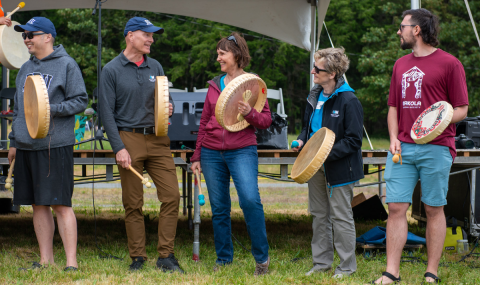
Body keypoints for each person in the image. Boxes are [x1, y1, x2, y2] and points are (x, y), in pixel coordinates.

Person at [372, 8, 468, 284]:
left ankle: (432, 272)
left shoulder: (450, 64)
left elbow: (461, 108)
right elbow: (393, 107)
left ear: (417, 29)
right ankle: (392, 271)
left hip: (437, 147)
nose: (398, 31)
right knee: (396, 208)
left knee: (433, 209)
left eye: (402, 26)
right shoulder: (400, 65)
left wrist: (439, 122)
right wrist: (393, 138)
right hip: (401, 147)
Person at [99, 17, 183, 273]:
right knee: (133, 203)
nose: (151, 39)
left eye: (152, 35)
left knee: (172, 196)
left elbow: (164, 101)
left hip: (158, 139)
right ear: (130, 35)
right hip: (128, 139)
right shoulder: (111, 70)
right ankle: (138, 257)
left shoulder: (155, 66)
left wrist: (169, 108)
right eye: (147, 34)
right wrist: (118, 148)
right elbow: (106, 114)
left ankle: (165, 256)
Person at [8, 17, 88, 271]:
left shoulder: (67, 65)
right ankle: (46, 260)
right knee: (37, 204)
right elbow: (19, 110)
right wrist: (13, 140)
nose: (27, 39)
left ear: (48, 37)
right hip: (25, 146)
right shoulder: (23, 69)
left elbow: (80, 101)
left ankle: (71, 263)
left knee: (60, 204)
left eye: (31, 34)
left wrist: (48, 109)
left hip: (55, 145)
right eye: (24, 35)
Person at [190, 32, 272, 276]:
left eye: (222, 53)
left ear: (236, 55)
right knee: (219, 209)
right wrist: (196, 156)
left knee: (250, 201)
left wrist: (249, 113)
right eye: (218, 54)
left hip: (242, 150)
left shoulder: (254, 83)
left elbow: (266, 121)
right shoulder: (215, 85)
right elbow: (205, 120)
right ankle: (224, 258)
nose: (218, 58)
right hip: (211, 153)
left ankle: (262, 260)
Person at [292, 47, 364, 279]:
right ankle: (321, 263)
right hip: (315, 167)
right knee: (319, 215)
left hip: (340, 168)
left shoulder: (349, 100)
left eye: (318, 69)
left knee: (341, 217)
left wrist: (322, 155)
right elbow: (307, 127)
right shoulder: (314, 96)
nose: (313, 71)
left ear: (332, 73)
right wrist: (302, 140)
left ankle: (346, 267)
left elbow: (353, 141)